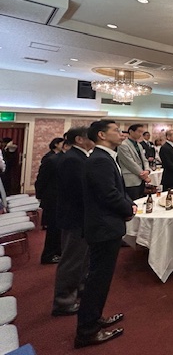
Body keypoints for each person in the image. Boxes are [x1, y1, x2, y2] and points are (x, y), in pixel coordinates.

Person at [75, 120, 136, 348]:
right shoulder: (100, 160)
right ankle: (87, 331)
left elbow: (116, 189)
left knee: (100, 279)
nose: (121, 134)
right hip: (103, 227)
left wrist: (127, 205)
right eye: (116, 130)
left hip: (106, 225)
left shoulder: (106, 157)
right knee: (97, 280)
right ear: (101, 135)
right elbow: (108, 194)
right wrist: (128, 209)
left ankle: (95, 318)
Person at [52, 127, 94, 317]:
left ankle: (78, 289)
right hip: (75, 216)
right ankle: (63, 301)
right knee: (72, 259)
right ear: (79, 139)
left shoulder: (78, 157)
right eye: (90, 137)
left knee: (82, 258)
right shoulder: (72, 159)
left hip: (80, 216)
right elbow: (78, 191)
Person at [35, 137, 65, 264]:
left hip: (58, 199)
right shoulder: (51, 159)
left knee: (58, 229)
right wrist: (40, 196)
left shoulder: (62, 159)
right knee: (53, 229)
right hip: (52, 199)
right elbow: (41, 180)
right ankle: (48, 255)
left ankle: (56, 252)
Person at [117, 124, 151, 201]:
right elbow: (129, 162)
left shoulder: (139, 145)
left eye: (142, 132)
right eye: (139, 132)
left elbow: (144, 159)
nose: (140, 134)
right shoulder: (123, 145)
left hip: (141, 178)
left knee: (141, 200)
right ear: (131, 131)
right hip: (131, 179)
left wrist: (147, 170)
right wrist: (144, 176)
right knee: (133, 201)